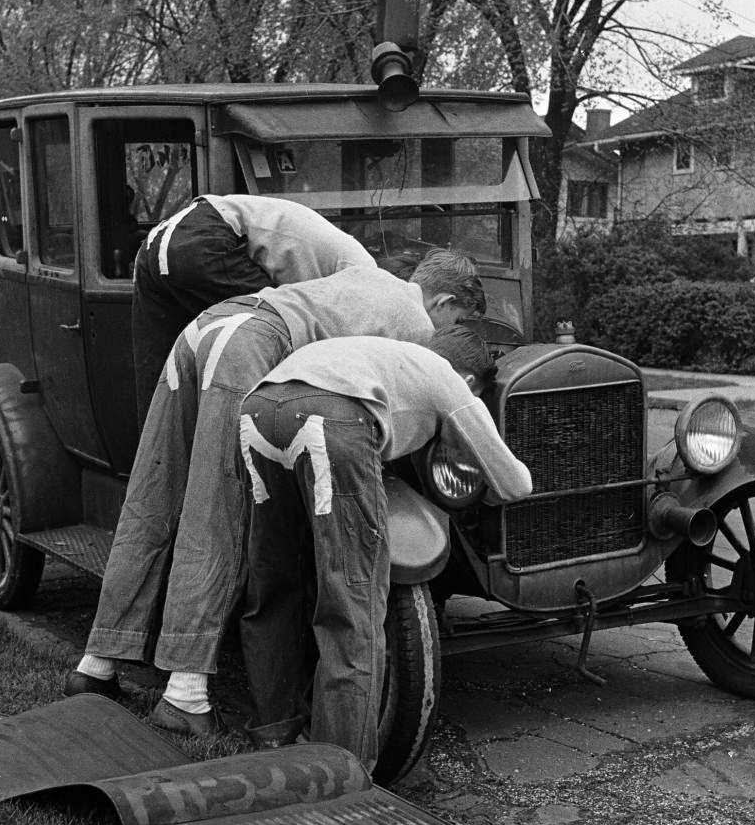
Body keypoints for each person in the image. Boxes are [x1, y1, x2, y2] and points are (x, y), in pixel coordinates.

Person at [65, 250, 487, 735]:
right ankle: (185, 692)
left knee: (152, 497)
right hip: (250, 345)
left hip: (206, 328)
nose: (447, 332)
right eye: (456, 319)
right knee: (219, 506)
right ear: (444, 299)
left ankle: (97, 663)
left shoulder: (366, 278)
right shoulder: (416, 323)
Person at [237, 327, 533, 772]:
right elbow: (515, 483)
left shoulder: (387, 352)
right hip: (331, 423)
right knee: (353, 602)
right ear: (471, 380)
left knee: (274, 580)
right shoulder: (450, 379)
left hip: (257, 411)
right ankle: (341, 765)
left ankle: (273, 734)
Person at [131, 194, 375, 426]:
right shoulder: (366, 274)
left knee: (160, 374)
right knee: (269, 342)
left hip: (161, 240)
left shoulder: (345, 258)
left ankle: (150, 463)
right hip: (205, 237)